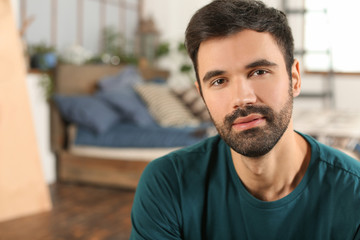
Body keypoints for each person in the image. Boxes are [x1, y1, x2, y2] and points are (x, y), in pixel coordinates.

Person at [130, 0, 360, 239]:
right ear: (202, 95)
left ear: (295, 78)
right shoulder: (168, 184)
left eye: (259, 72)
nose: (242, 98)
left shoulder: (354, 192)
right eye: (219, 81)